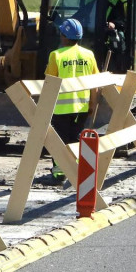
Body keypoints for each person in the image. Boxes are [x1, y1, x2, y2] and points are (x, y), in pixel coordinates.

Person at [45, 18, 99, 181]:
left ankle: (61, 172)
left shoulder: (56, 55)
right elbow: (95, 83)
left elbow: (49, 82)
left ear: (64, 36)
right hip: (81, 107)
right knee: (75, 138)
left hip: (60, 108)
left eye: (62, 33)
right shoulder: (89, 55)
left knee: (59, 141)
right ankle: (74, 170)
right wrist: (92, 104)